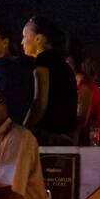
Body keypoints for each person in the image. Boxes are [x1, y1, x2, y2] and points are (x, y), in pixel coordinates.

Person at [20, 15, 78, 146]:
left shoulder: (43, 62)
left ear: (38, 39)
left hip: (48, 138)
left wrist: (22, 130)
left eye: (24, 36)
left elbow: (39, 103)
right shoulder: (62, 64)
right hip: (66, 137)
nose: (22, 42)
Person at [68, 39, 100, 146]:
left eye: (66, 62)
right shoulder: (80, 84)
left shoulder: (86, 85)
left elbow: (81, 121)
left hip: (90, 145)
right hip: (87, 143)